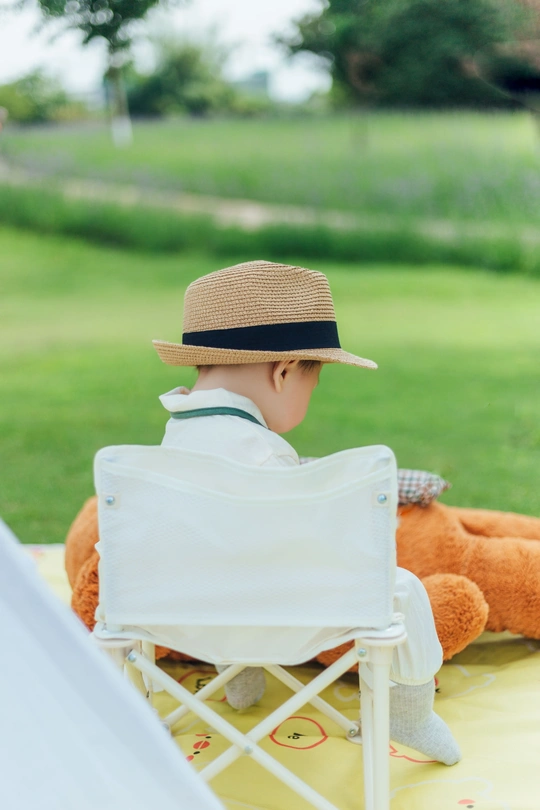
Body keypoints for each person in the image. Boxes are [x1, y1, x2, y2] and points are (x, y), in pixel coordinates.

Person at [153, 259, 461, 766]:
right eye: (313, 384)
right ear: (284, 372)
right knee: (402, 588)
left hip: (177, 610)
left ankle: (240, 671)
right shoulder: (263, 454)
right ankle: (410, 712)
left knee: (225, 553)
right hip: (271, 615)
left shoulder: (166, 446)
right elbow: (303, 550)